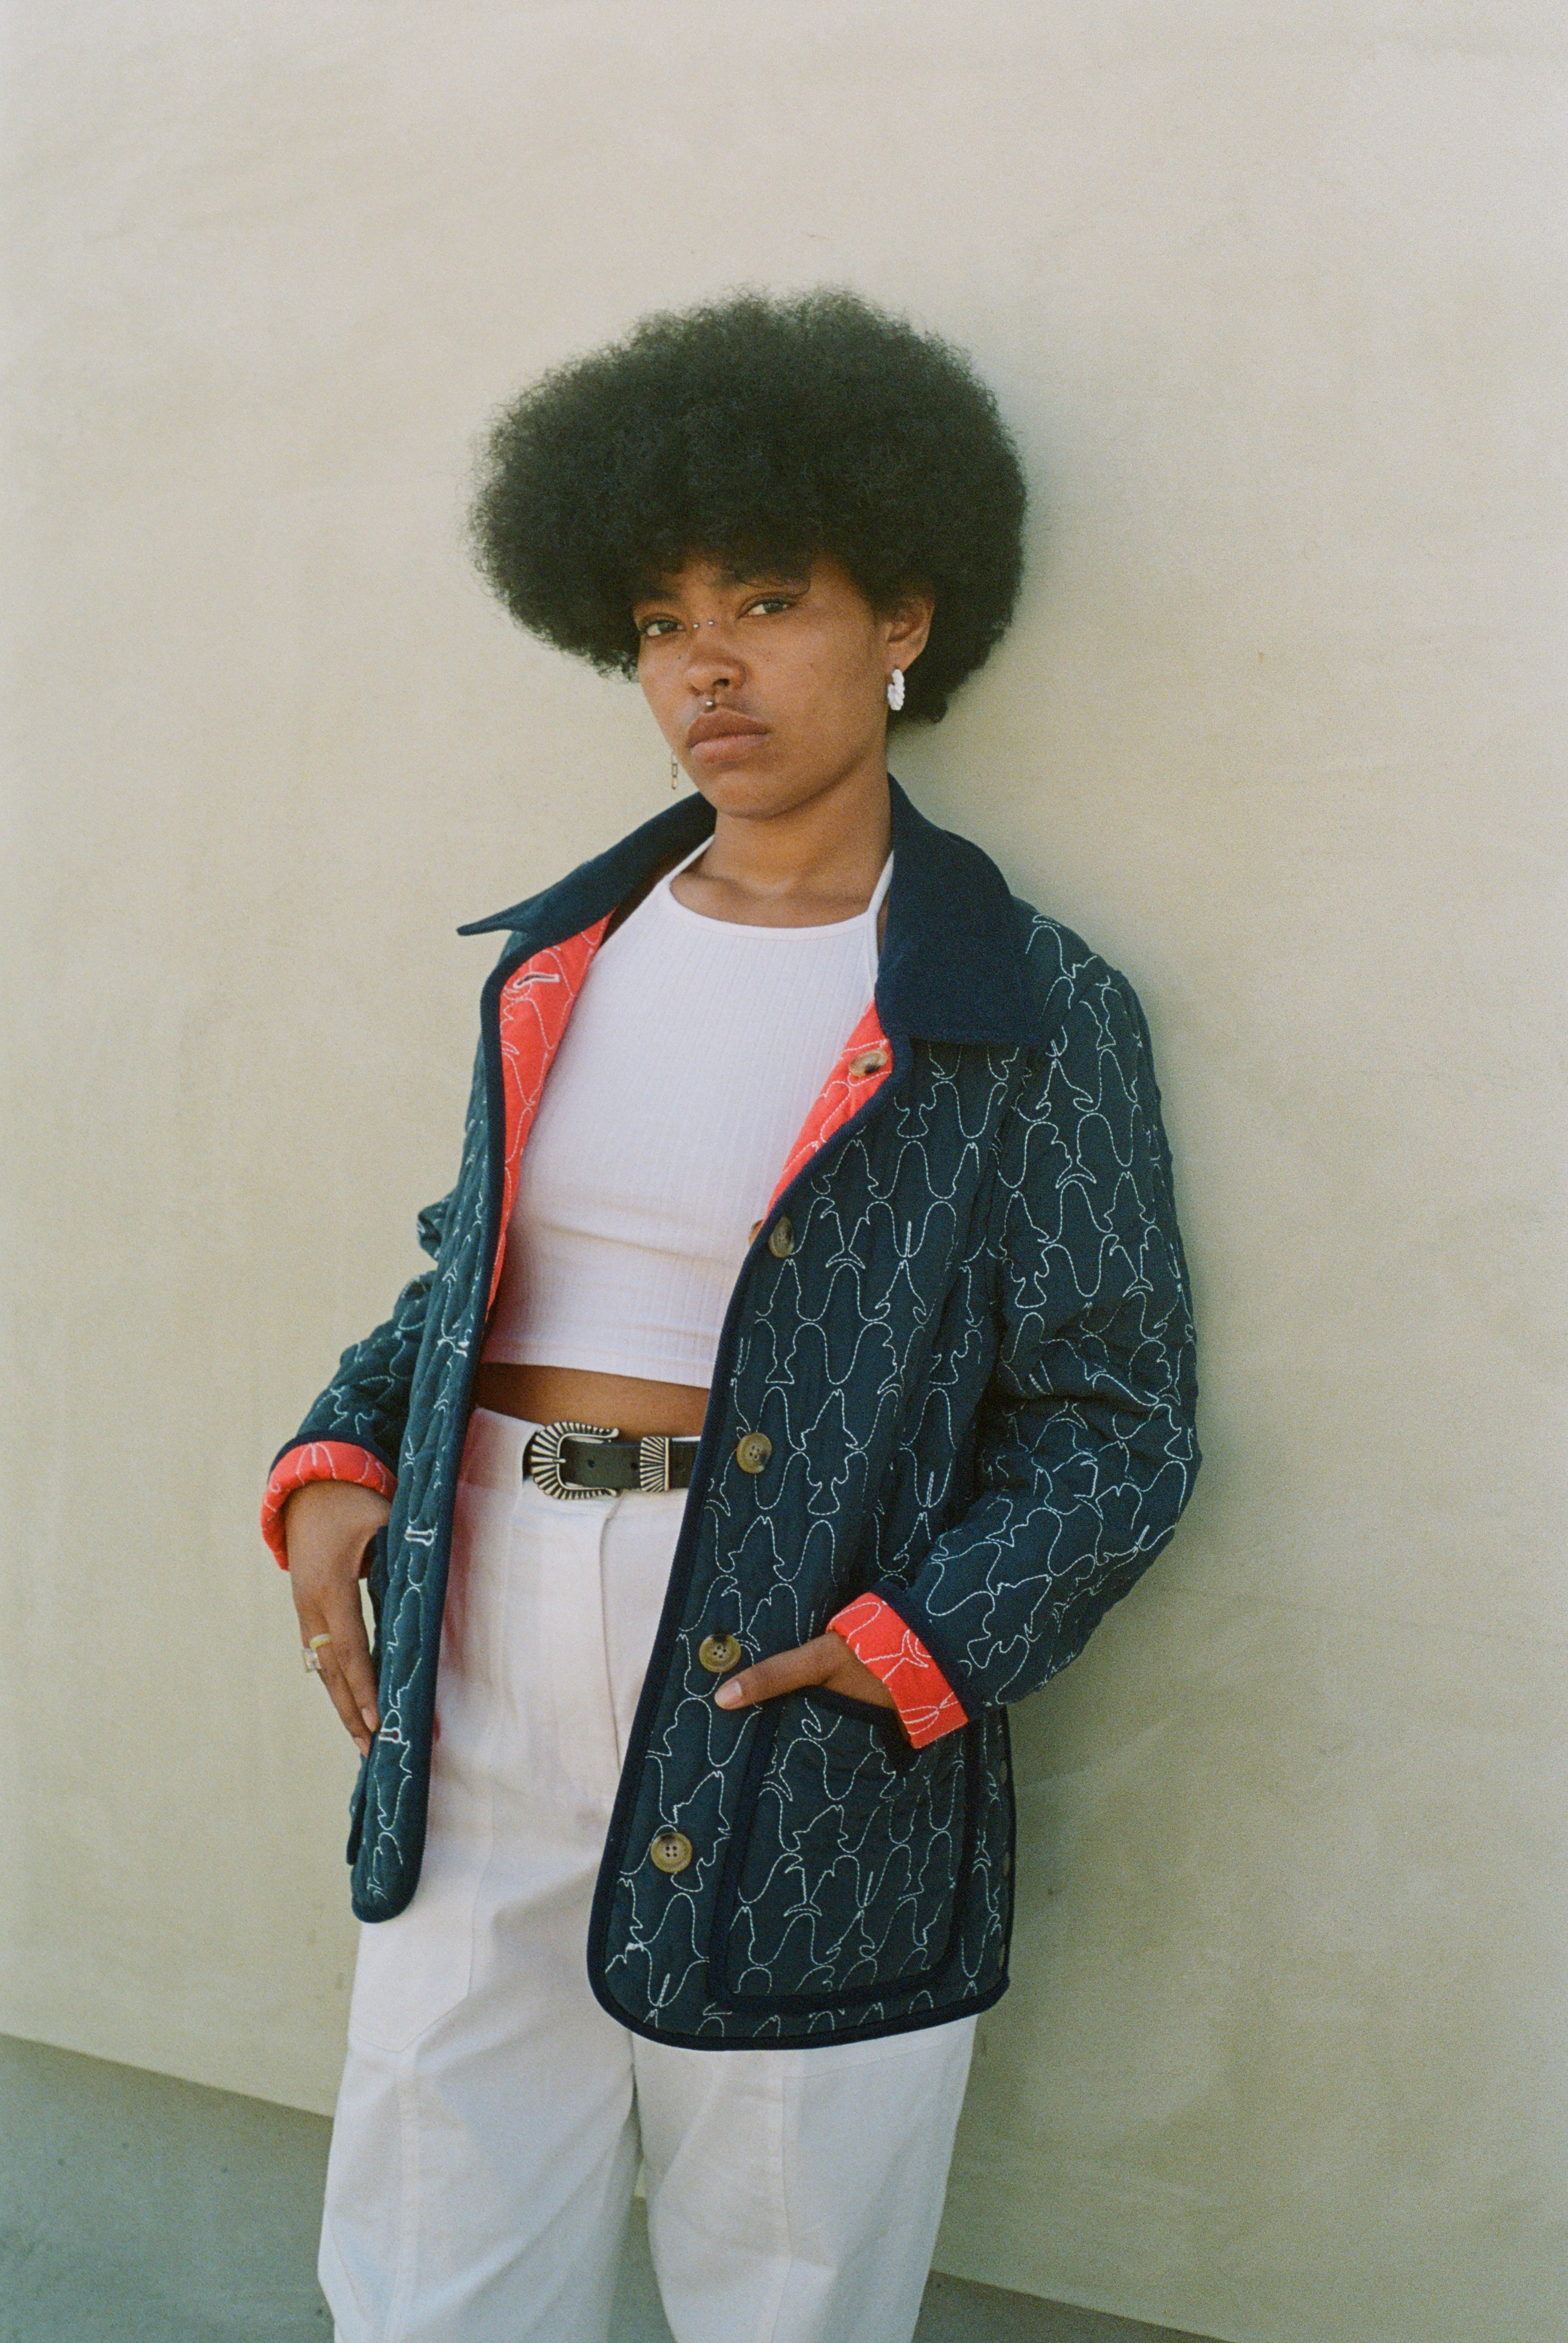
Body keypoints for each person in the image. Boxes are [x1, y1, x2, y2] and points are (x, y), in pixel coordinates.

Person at [263, 289, 1200, 2343]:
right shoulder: (558, 963)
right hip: (484, 1633)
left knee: (789, 2270)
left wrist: (915, 1645)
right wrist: (342, 1459)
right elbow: (468, 1274)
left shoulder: (1019, 1007)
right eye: (661, 621)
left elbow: (1119, 1415)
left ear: (904, 621)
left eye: (766, 600)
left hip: (801, 1673)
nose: (706, 661)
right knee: (430, 2244)